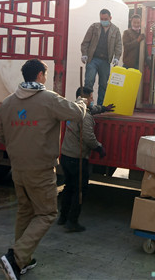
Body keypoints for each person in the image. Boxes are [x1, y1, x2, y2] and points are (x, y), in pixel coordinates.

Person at [0, 59, 87, 280]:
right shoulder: (49, 99)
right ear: (39, 75)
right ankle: (15, 257)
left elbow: (0, 134)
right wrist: (82, 102)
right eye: (45, 74)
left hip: (18, 168)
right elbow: (77, 114)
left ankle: (22, 261)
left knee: (25, 211)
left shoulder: (8, 102)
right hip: (41, 169)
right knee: (46, 213)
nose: (46, 78)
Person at [58, 87, 106, 233]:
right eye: (91, 97)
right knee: (79, 190)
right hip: (77, 158)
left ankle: (63, 217)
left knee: (69, 186)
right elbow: (88, 137)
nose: (93, 100)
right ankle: (72, 222)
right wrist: (99, 147)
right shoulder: (85, 116)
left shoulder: (73, 108)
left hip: (66, 155)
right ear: (84, 98)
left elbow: (91, 108)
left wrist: (103, 108)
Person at [81, 9, 122, 106]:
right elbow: (85, 42)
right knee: (89, 81)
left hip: (106, 61)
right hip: (93, 59)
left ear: (110, 18)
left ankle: (101, 106)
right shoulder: (94, 27)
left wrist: (117, 57)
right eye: (101, 19)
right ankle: (87, 104)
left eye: (105, 19)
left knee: (103, 84)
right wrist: (84, 54)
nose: (103, 21)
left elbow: (118, 45)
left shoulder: (115, 30)